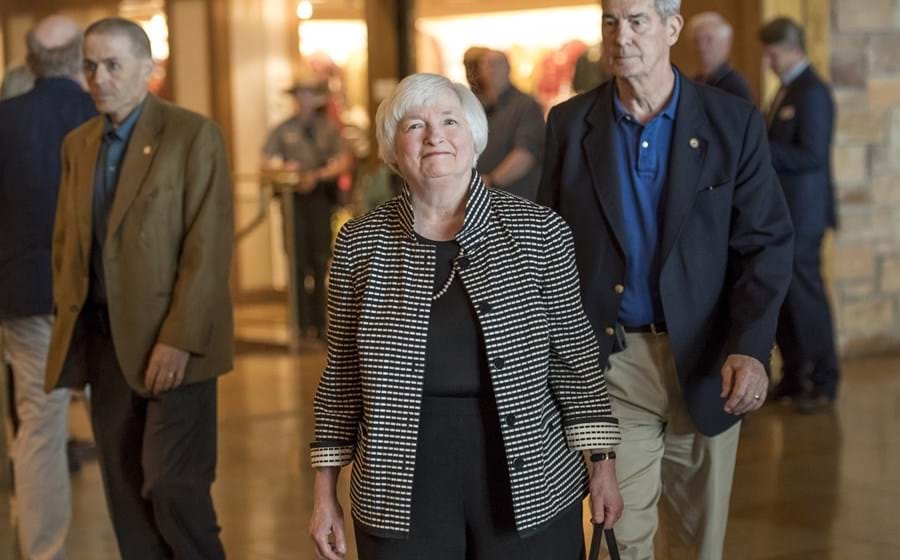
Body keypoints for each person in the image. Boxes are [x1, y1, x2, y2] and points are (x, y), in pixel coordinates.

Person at [309, 73, 623, 560]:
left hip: (529, 473)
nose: (434, 136)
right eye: (415, 125)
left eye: (449, 121)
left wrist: (602, 467)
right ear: (395, 149)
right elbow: (342, 378)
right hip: (398, 486)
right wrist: (324, 493)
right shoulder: (360, 243)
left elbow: (575, 361)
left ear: (474, 138)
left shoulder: (539, 231)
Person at [538, 1, 794, 558]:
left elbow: (766, 244)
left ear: (672, 28)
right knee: (618, 539)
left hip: (708, 362)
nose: (620, 36)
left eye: (637, 21)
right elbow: (548, 244)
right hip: (613, 361)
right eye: (610, 22)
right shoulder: (569, 123)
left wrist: (750, 347)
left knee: (698, 544)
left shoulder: (733, 123)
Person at [45, 17, 233, 559]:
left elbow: (208, 246)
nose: (99, 77)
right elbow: (68, 244)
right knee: (126, 499)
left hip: (176, 346)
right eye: (89, 65)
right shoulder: (78, 145)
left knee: (173, 487)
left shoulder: (192, 134)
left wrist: (179, 338)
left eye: (112, 65)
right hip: (106, 346)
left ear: (147, 69)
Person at [0, 15, 96, 560]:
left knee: (38, 425)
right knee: (121, 427)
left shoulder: (5, 120)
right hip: (103, 298)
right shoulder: (103, 117)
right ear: (81, 58)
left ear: (31, 60)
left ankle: (42, 551)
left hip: (26, 294)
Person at [760, 17, 840, 413]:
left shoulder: (812, 92)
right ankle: (793, 377)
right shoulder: (788, 88)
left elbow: (811, 155)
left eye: (772, 54)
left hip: (806, 215)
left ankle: (823, 381)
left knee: (807, 300)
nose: (767, 61)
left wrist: (760, 149)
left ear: (791, 49)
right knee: (788, 299)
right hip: (788, 215)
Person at [262, 69, 352, 340]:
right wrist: (287, 172)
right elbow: (266, 160)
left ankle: (323, 322)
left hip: (321, 199)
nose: (303, 100)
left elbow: (344, 159)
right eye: (299, 95)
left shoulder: (329, 128)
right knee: (297, 260)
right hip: (293, 200)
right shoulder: (284, 129)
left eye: (308, 94)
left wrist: (318, 176)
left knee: (321, 258)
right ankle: (300, 322)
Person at [475, 50, 545, 201]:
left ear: (508, 68)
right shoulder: (478, 105)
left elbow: (526, 154)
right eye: (486, 64)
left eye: (497, 63)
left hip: (516, 197)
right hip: (482, 197)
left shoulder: (527, 105)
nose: (491, 68)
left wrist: (491, 180)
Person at [687, 12, 753, 102]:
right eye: (696, 40)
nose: (701, 47)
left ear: (725, 44)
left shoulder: (735, 86)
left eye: (708, 40)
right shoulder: (691, 83)